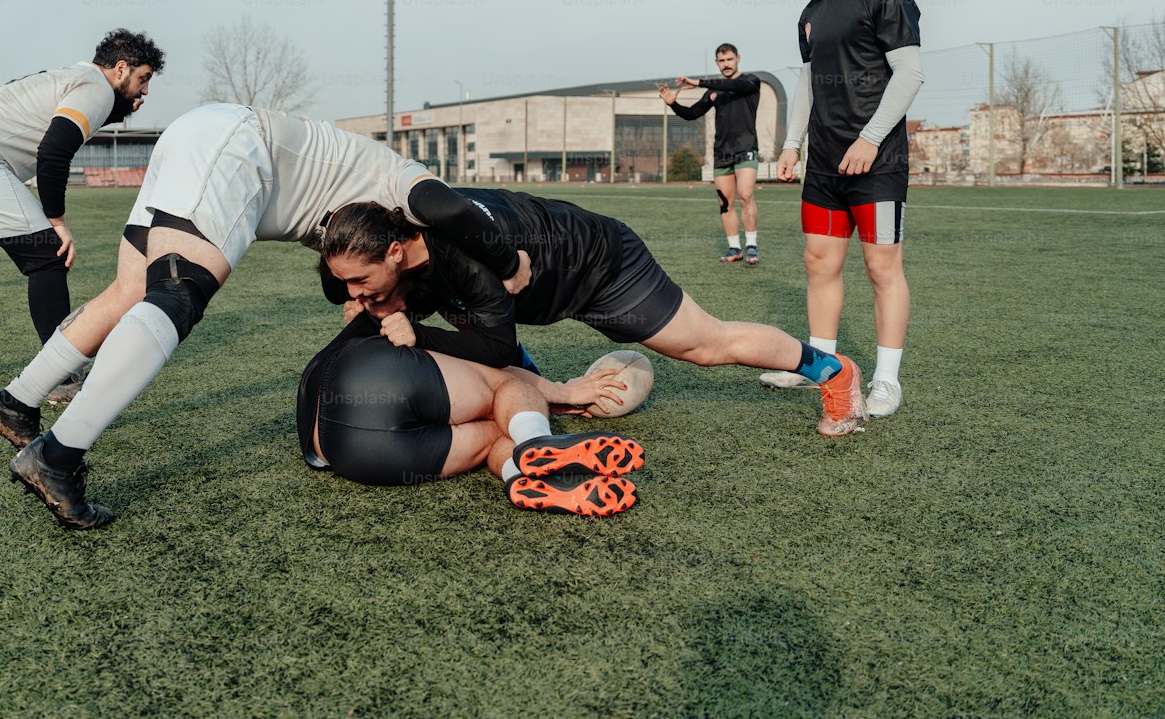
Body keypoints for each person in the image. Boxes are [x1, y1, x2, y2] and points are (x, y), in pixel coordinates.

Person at [0, 102, 534, 529]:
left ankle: (16, 400)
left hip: (200, 135)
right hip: (238, 146)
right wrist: (508, 263)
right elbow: (446, 205)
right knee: (178, 292)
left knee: (129, 290)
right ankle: (57, 454)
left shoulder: (361, 214)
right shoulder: (401, 184)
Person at [314, 190, 866, 441]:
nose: (355, 294)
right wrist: (367, 304)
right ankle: (549, 396)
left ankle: (833, 373)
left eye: (361, 282)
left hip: (601, 265)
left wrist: (417, 333)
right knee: (468, 334)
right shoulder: (384, 249)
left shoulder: (466, 261)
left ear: (393, 252)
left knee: (707, 347)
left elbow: (498, 350)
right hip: (535, 287)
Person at [0, 29, 164, 389]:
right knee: (49, 256)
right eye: (143, 79)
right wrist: (57, 221)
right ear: (120, 69)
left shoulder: (79, 79)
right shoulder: (95, 88)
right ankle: (59, 377)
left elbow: (59, 127)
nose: (145, 91)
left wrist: (116, 109)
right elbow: (54, 152)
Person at [768, 0, 923, 420]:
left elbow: (909, 75)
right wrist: (792, 144)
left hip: (876, 164)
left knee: (882, 269)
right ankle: (821, 365)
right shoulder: (811, 13)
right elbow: (808, 82)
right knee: (819, 264)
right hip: (824, 167)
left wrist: (872, 138)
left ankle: (886, 381)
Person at [297, 314, 641, 517]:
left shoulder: (359, 321)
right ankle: (537, 440)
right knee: (501, 386)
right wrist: (561, 391)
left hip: (348, 455)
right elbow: (498, 370)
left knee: (497, 430)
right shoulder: (393, 327)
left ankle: (528, 478)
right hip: (370, 374)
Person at [659, 43, 764, 265]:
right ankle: (734, 248)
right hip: (721, 153)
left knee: (745, 195)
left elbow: (735, 84)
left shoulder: (751, 81)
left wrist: (697, 82)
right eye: (721, 61)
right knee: (725, 203)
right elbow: (692, 114)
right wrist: (673, 104)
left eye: (729, 60)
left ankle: (752, 247)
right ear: (717, 62)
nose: (726, 64)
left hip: (745, 149)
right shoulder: (714, 92)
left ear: (738, 59)